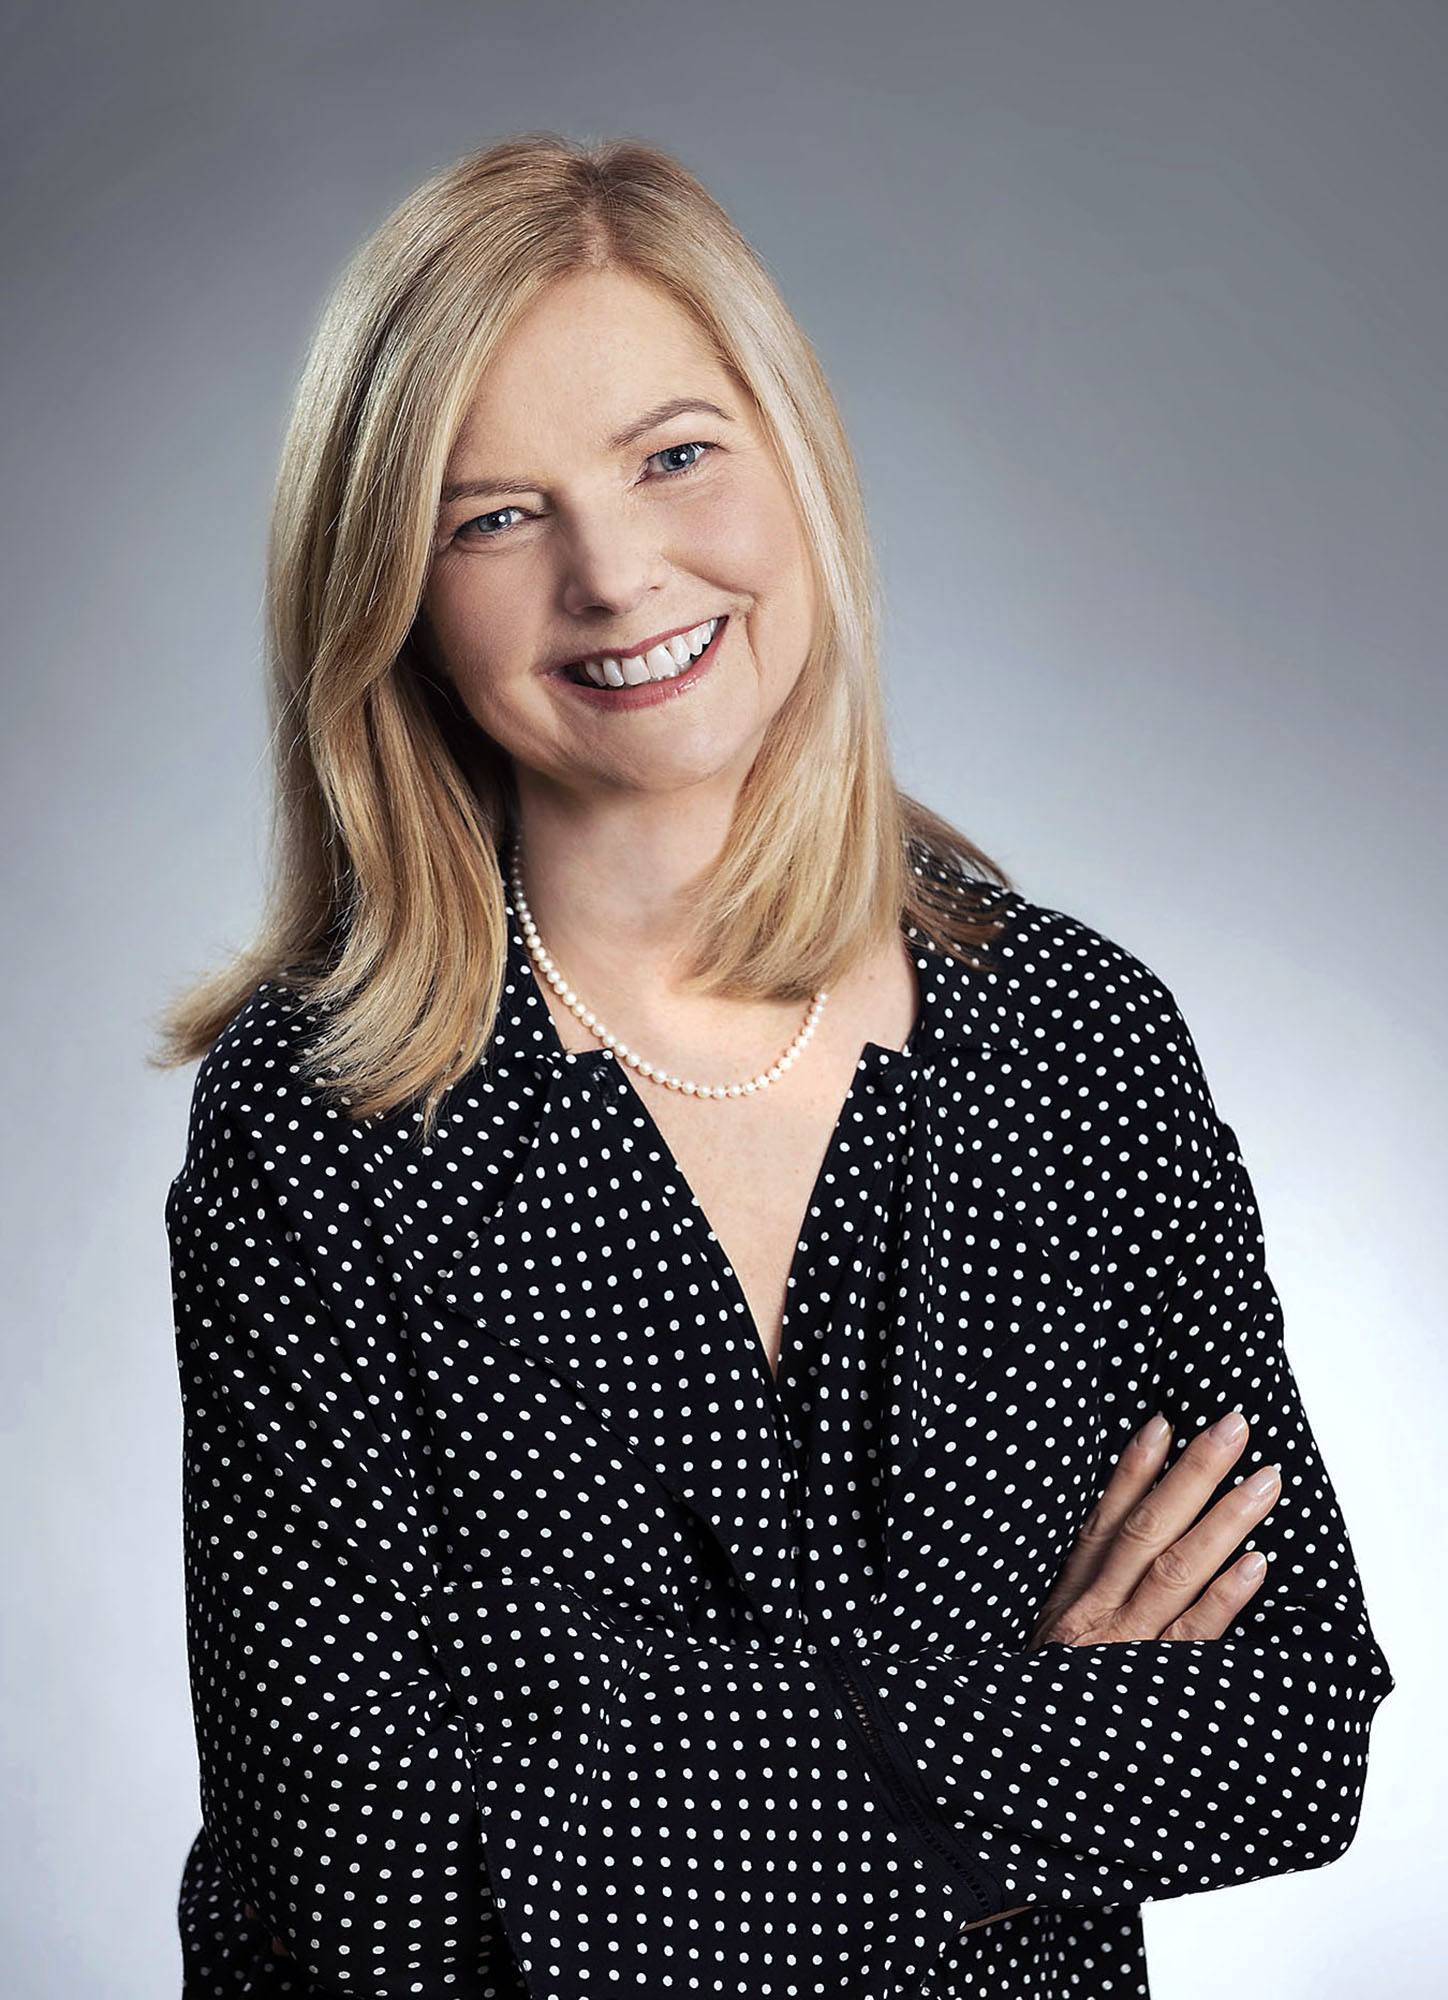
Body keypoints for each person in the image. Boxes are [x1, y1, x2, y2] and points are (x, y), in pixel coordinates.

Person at [153, 133, 1395, 1998]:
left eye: (674, 455)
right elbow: (359, 1876)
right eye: (494, 517)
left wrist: (599, 1769)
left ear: (797, 457)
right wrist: (1015, 1732)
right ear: (391, 595)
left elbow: (1293, 1728)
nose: (614, 573)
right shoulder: (321, 1113)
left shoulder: (1078, 1041)